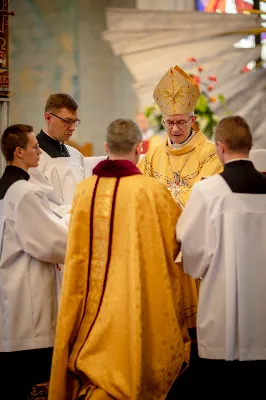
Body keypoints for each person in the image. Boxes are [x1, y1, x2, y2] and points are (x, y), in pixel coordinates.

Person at [48, 118, 190, 400]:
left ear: (105, 147)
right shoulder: (153, 191)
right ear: (139, 148)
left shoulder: (85, 190)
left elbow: (76, 251)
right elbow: (175, 244)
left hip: (93, 301)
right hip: (137, 295)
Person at [177, 116, 266, 392]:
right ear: (249, 146)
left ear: (220, 147)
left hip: (222, 305)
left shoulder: (209, 190)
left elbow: (190, 246)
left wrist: (197, 267)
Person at [138, 64, 222, 334]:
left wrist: (170, 206)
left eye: (181, 122)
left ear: (193, 120)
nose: (174, 129)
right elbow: (140, 189)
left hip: (192, 240)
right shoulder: (152, 154)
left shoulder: (209, 153)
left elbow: (205, 192)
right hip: (160, 242)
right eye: (170, 122)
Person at [0, 124, 69, 400]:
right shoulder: (23, 193)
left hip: (10, 288)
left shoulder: (6, 187)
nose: (39, 152)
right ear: (19, 152)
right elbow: (49, 242)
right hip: (28, 297)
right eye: (34, 147)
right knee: (34, 380)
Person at [29, 93, 85, 216]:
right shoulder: (32, 158)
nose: (72, 128)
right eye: (67, 121)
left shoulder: (76, 155)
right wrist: (74, 213)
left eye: (75, 122)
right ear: (48, 118)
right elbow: (37, 204)